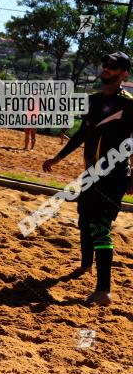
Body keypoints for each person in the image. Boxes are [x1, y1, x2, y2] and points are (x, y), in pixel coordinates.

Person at [42, 51, 133, 305]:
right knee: (84, 219)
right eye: (105, 64)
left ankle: (104, 290)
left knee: (99, 226)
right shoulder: (92, 100)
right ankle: (85, 266)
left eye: (112, 66)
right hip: (90, 173)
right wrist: (58, 158)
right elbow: (82, 133)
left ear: (123, 73)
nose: (106, 68)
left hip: (113, 176)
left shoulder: (129, 105)